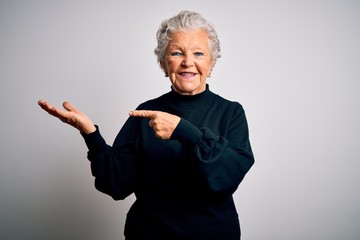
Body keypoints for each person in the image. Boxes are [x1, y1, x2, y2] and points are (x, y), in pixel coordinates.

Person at [38, 10, 254, 240]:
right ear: (163, 64)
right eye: (177, 53)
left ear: (211, 64)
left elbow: (227, 177)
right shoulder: (146, 112)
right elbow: (117, 185)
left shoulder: (231, 112)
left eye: (199, 53)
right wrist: (91, 134)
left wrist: (183, 131)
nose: (188, 62)